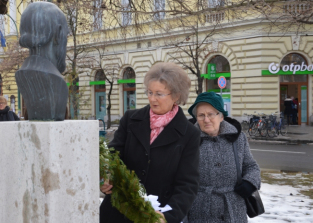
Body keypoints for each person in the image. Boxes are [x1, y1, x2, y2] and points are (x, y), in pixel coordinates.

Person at [100, 62, 201, 223]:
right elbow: (111, 155)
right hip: (117, 213)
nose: (152, 99)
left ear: (176, 96)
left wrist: (168, 216)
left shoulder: (189, 134)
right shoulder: (131, 119)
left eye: (159, 94)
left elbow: (187, 185)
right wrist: (106, 178)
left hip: (155, 215)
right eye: (150, 92)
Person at [185, 92, 261, 222]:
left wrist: (249, 183)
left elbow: (251, 166)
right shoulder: (187, 140)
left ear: (221, 116)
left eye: (211, 114)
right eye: (201, 115)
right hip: (199, 211)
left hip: (233, 210)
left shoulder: (238, 137)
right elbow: (179, 180)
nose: (206, 120)